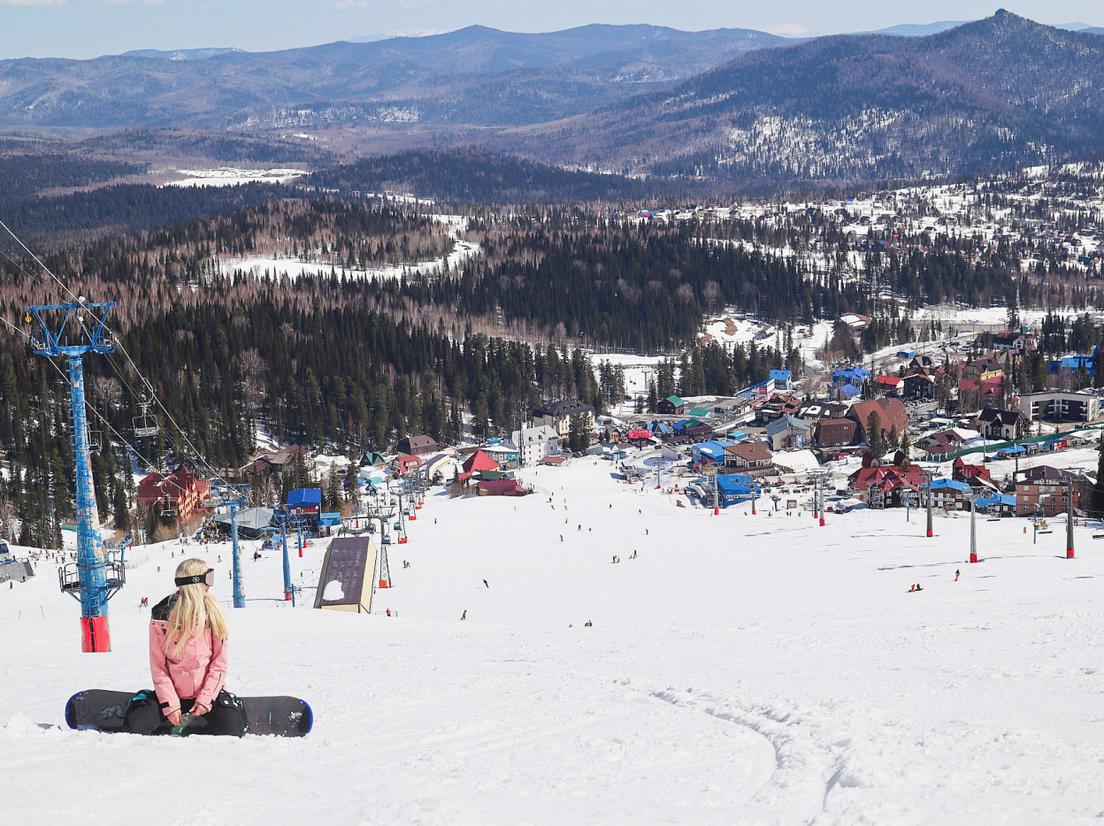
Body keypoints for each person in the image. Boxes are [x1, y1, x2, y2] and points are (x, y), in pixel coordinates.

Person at [124, 559, 246, 737]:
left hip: (207, 696)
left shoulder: (213, 614)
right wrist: (170, 705)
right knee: (136, 727)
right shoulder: (162, 616)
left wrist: (205, 700)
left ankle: (229, 706)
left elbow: (219, 664)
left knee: (232, 730)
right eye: (208, 578)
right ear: (194, 582)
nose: (210, 585)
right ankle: (146, 702)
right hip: (173, 695)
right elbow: (159, 667)